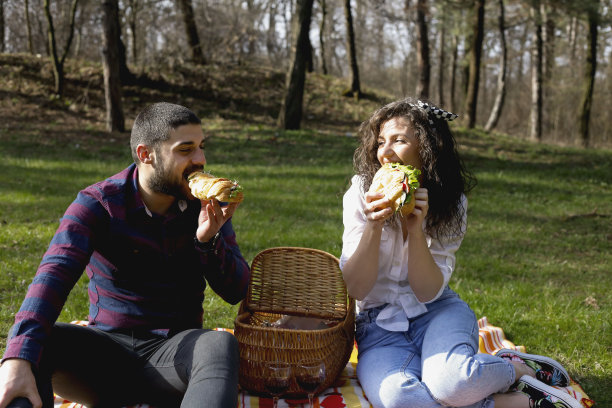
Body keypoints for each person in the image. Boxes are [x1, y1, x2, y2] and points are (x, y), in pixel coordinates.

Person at [0, 102, 250, 408]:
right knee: (33, 346)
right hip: (103, 361)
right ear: (146, 155)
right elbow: (52, 277)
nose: (200, 159)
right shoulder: (98, 205)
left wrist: (208, 241)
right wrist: (16, 359)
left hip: (174, 360)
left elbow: (237, 290)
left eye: (201, 147)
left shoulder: (207, 205)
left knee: (219, 343)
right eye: (185, 150)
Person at [339, 97, 582, 408]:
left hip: (436, 313)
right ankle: (515, 403)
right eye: (381, 141)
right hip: (378, 326)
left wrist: (416, 230)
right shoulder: (360, 193)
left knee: (452, 385)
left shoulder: (451, 204)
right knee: (401, 399)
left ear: (427, 148)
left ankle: (514, 367)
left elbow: (427, 292)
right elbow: (355, 288)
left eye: (398, 140)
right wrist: (373, 225)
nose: (384, 152)